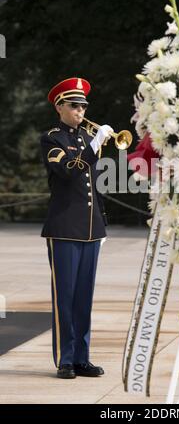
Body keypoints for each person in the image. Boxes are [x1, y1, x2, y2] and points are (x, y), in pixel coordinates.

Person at [40, 77, 113, 379]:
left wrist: (101, 222)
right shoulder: (52, 138)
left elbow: (92, 188)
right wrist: (96, 146)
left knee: (84, 296)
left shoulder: (85, 137)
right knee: (65, 296)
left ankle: (82, 357)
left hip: (90, 229)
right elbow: (69, 171)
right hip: (64, 227)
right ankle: (65, 359)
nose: (80, 110)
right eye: (74, 105)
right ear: (60, 107)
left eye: (83, 105)